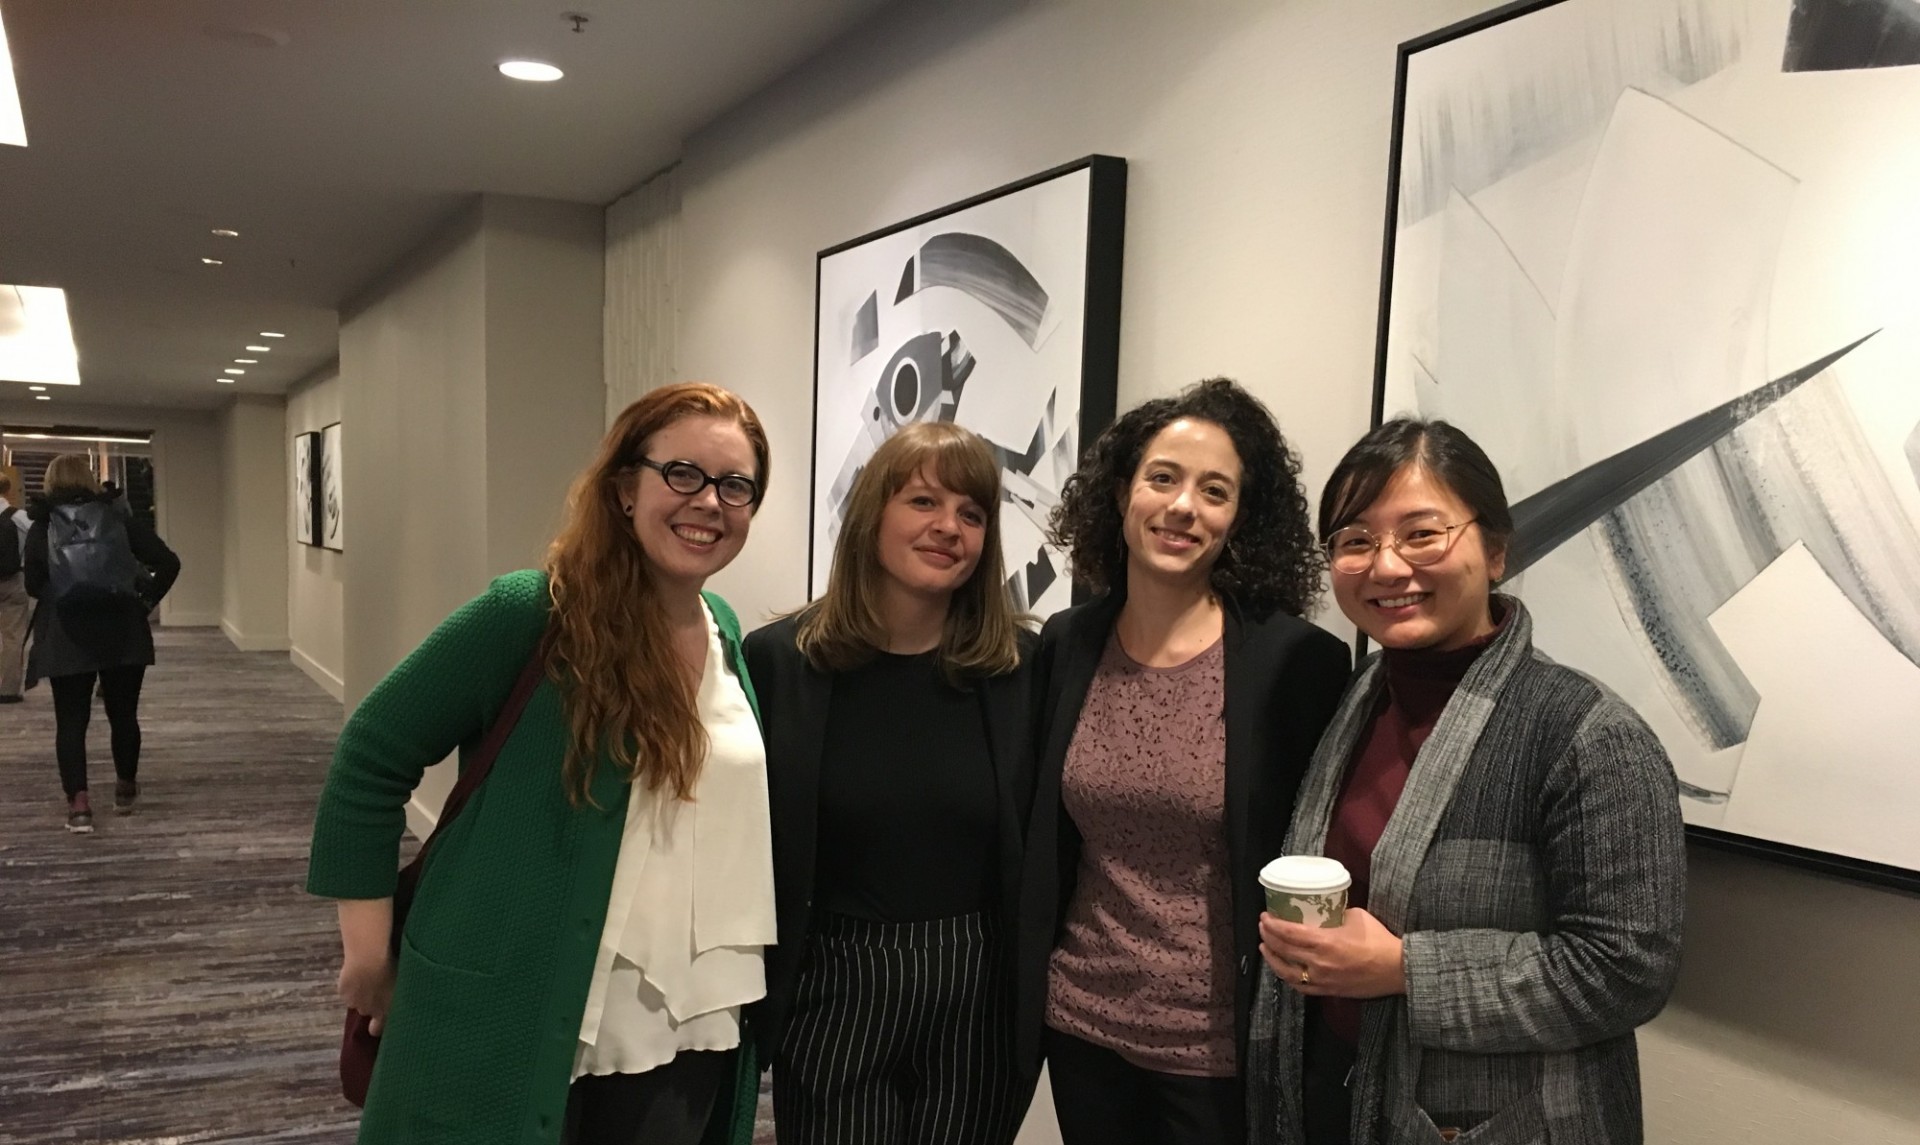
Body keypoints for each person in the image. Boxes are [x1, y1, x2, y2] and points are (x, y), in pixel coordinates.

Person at [307, 383, 775, 1145]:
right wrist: (367, 953)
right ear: (626, 487)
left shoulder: (725, 632)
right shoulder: (531, 612)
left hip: (686, 1026)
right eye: (682, 473)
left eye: (735, 485)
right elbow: (370, 756)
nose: (709, 502)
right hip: (516, 1015)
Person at [1247, 418, 1687, 1145]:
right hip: (1335, 1090)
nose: (1386, 565)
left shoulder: (1587, 734)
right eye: (1356, 540)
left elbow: (1625, 970)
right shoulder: (1358, 700)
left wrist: (1403, 968)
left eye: (1422, 533)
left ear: (1495, 549)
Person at [1017, 378, 1353, 1145]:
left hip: (1217, 1049)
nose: (1182, 507)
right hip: (1082, 1024)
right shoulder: (1067, 643)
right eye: (1162, 477)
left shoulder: (1294, 661)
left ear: (1241, 519)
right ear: (1122, 492)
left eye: (1215, 491)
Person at [745, 422, 1037, 1145]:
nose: (949, 528)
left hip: (980, 990)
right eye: (924, 502)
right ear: (874, 512)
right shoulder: (782, 662)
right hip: (834, 983)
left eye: (971, 513)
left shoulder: (1022, 668)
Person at [23, 454, 181, 832]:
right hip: (122, 629)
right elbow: (169, 562)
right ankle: (125, 789)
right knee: (123, 714)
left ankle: (79, 807)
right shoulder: (117, 517)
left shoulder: (42, 524)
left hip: (67, 633)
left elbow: (32, 583)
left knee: (71, 720)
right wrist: (144, 603)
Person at [0, 468, 32, 703]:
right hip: (13, 580)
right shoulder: (19, 517)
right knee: (13, 636)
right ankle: (8, 689)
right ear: (8, 490)